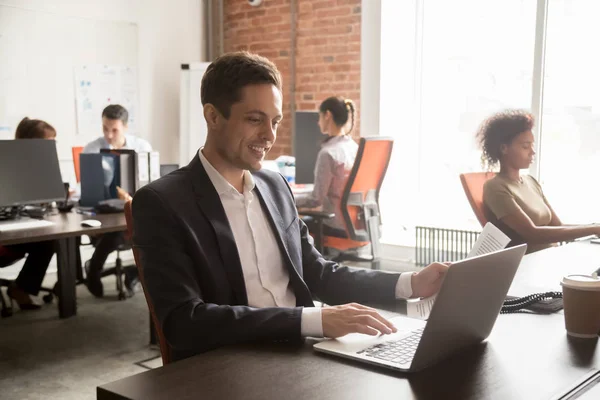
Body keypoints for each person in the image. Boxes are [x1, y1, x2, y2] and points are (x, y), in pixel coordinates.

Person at [131, 52, 448, 362]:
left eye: (275, 121)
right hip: (231, 365)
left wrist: (409, 283)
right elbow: (184, 322)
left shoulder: (275, 187)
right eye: (255, 120)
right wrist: (314, 321)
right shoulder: (162, 203)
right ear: (213, 116)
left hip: (303, 355)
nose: (269, 136)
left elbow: (318, 274)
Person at [479, 110, 600, 253]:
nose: (532, 152)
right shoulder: (496, 187)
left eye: (532, 145)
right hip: (526, 265)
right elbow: (532, 234)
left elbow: (557, 226)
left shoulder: (530, 182)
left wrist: (594, 227)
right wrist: (593, 229)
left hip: (549, 257)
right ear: (504, 148)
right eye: (525, 146)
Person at [83, 104, 150, 297]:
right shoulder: (93, 148)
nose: (109, 135)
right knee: (119, 229)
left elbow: (150, 184)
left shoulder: (141, 147)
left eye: (114, 130)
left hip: (135, 206)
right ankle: (96, 268)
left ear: (125, 127)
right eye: (105, 128)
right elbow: (87, 189)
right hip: (104, 209)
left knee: (162, 232)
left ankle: (99, 267)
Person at [0, 117, 57, 310]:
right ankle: (21, 289)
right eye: (48, 144)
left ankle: (22, 288)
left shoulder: (34, 168)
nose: (51, 149)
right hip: (4, 238)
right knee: (48, 241)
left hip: (18, 228)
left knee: (52, 239)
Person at [295, 96, 358, 240]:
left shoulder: (328, 153)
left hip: (334, 223)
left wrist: (289, 198)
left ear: (327, 115)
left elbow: (315, 199)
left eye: (319, 117)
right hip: (354, 222)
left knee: (290, 226)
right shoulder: (354, 147)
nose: (318, 122)